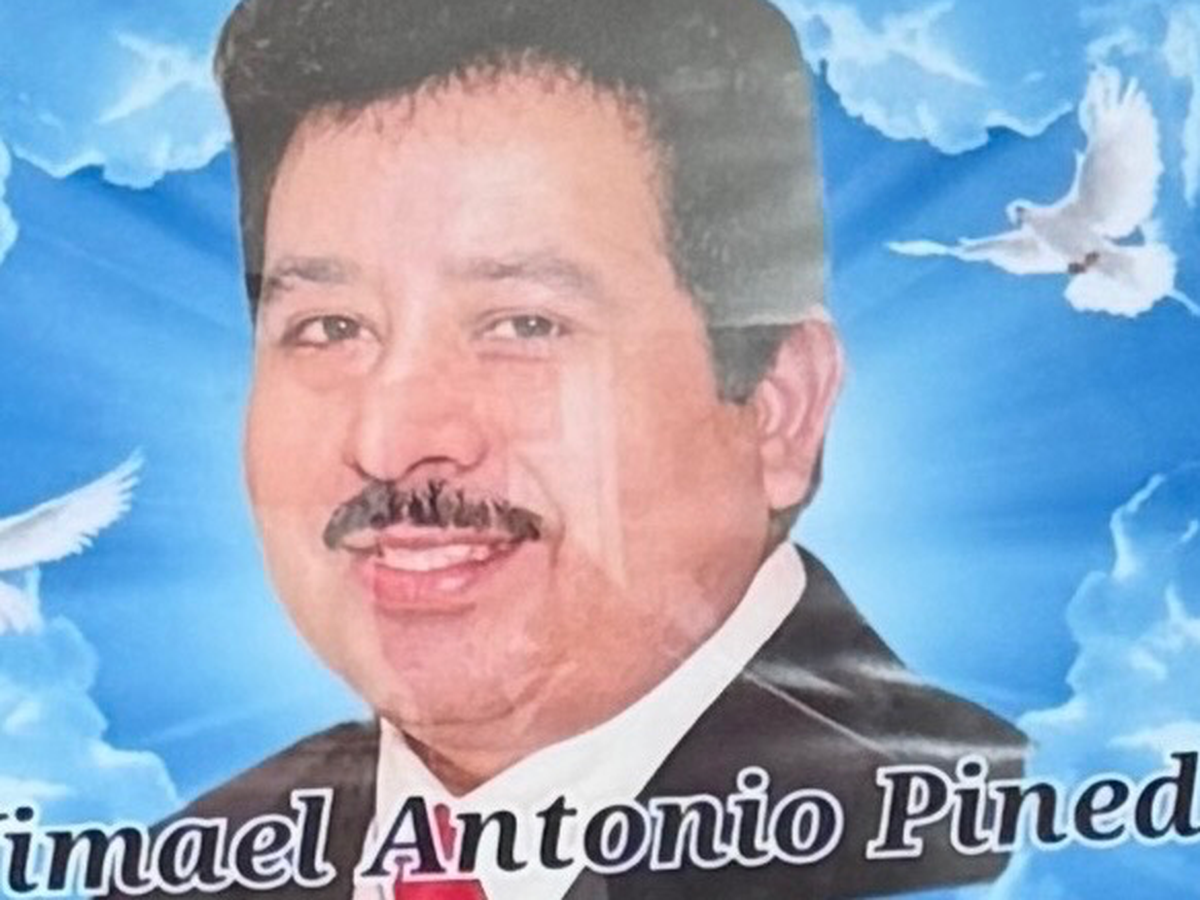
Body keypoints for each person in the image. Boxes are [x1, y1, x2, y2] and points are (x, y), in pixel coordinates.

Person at [139, 0, 1027, 896]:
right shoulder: (185, 872)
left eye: (524, 324)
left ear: (778, 404)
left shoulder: (1003, 861)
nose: (390, 439)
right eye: (331, 328)